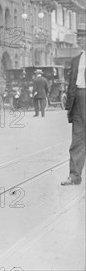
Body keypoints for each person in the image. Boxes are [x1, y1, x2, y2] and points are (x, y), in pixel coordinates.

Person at [62, 39, 86, 186]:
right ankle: (74, 177)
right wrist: (70, 106)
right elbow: (72, 83)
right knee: (77, 141)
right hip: (78, 100)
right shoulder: (76, 59)